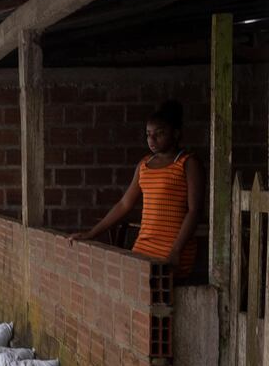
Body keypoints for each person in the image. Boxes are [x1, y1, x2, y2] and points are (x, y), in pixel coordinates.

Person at [68, 100, 202, 276]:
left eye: (159, 134)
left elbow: (194, 211)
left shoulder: (187, 163)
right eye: (148, 134)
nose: (151, 140)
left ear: (176, 134)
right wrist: (92, 233)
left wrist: (176, 250)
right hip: (144, 245)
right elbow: (124, 204)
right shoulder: (145, 164)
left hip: (174, 248)